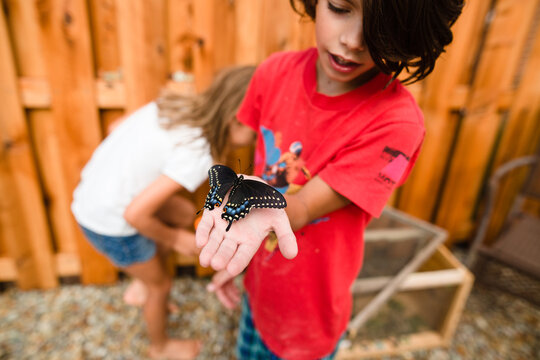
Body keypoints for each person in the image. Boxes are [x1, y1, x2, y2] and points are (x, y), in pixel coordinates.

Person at [195, 0, 464, 359]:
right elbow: (263, 183)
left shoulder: (397, 125)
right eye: (340, 7)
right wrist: (239, 256)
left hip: (309, 318)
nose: (353, 40)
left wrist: (250, 209)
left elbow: (302, 205)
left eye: (379, 25)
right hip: (259, 290)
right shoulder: (273, 72)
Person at [71, 65, 256, 360]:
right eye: (257, 126)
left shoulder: (174, 105)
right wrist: (174, 240)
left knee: (183, 212)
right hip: (109, 221)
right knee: (162, 285)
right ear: (236, 118)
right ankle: (160, 346)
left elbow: (114, 128)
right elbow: (134, 216)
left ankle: (139, 284)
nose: (259, 134)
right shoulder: (198, 153)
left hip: (92, 195)